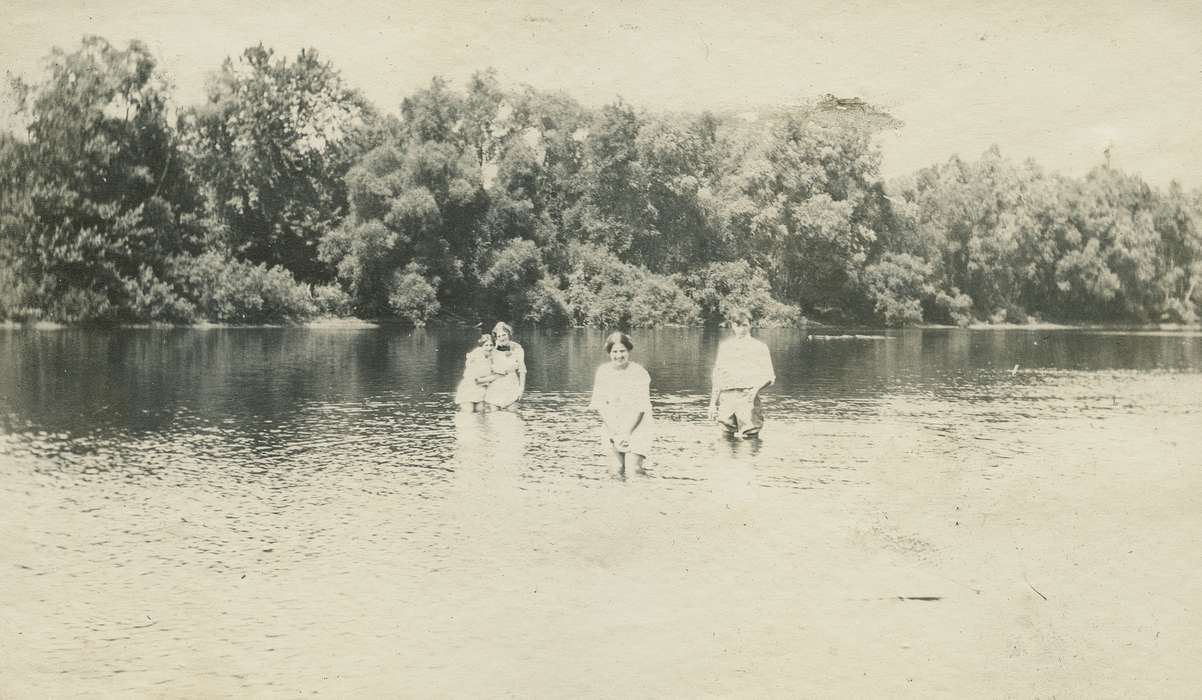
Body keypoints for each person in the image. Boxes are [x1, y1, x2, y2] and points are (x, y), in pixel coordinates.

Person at [589, 332, 655, 476]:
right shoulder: (603, 372)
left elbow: (641, 408)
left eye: (622, 351)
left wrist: (626, 433)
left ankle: (640, 495)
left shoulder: (639, 373)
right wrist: (615, 432)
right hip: (612, 425)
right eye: (615, 351)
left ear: (628, 350)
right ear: (609, 353)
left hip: (638, 426)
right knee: (615, 470)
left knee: (633, 470)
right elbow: (599, 405)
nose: (619, 355)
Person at [707, 311, 775, 438]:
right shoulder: (726, 347)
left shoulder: (759, 347)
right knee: (724, 442)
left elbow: (770, 376)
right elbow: (717, 376)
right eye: (737, 325)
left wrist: (756, 389)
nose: (741, 329)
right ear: (732, 326)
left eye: (744, 325)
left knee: (750, 443)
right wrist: (712, 404)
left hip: (748, 397)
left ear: (750, 325)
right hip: (726, 397)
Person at [484, 321, 526, 410]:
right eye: (499, 336)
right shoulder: (491, 349)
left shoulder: (517, 348)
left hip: (511, 385)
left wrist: (521, 388)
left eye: (504, 335)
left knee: (512, 415)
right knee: (494, 415)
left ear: (509, 334)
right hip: (495, 387)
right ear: (496, 338)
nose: (502, 338)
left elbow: (522, 370)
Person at [455, 334, 498, 413]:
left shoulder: (491, 356)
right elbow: (474, 378)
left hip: (481, 389)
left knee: (480, 412)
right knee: (469, 411)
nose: (489, 348)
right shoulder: (475, 356)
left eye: (491, 345)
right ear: (481, 346)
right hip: (469, 388)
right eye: (486, 345)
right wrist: (489, 379)